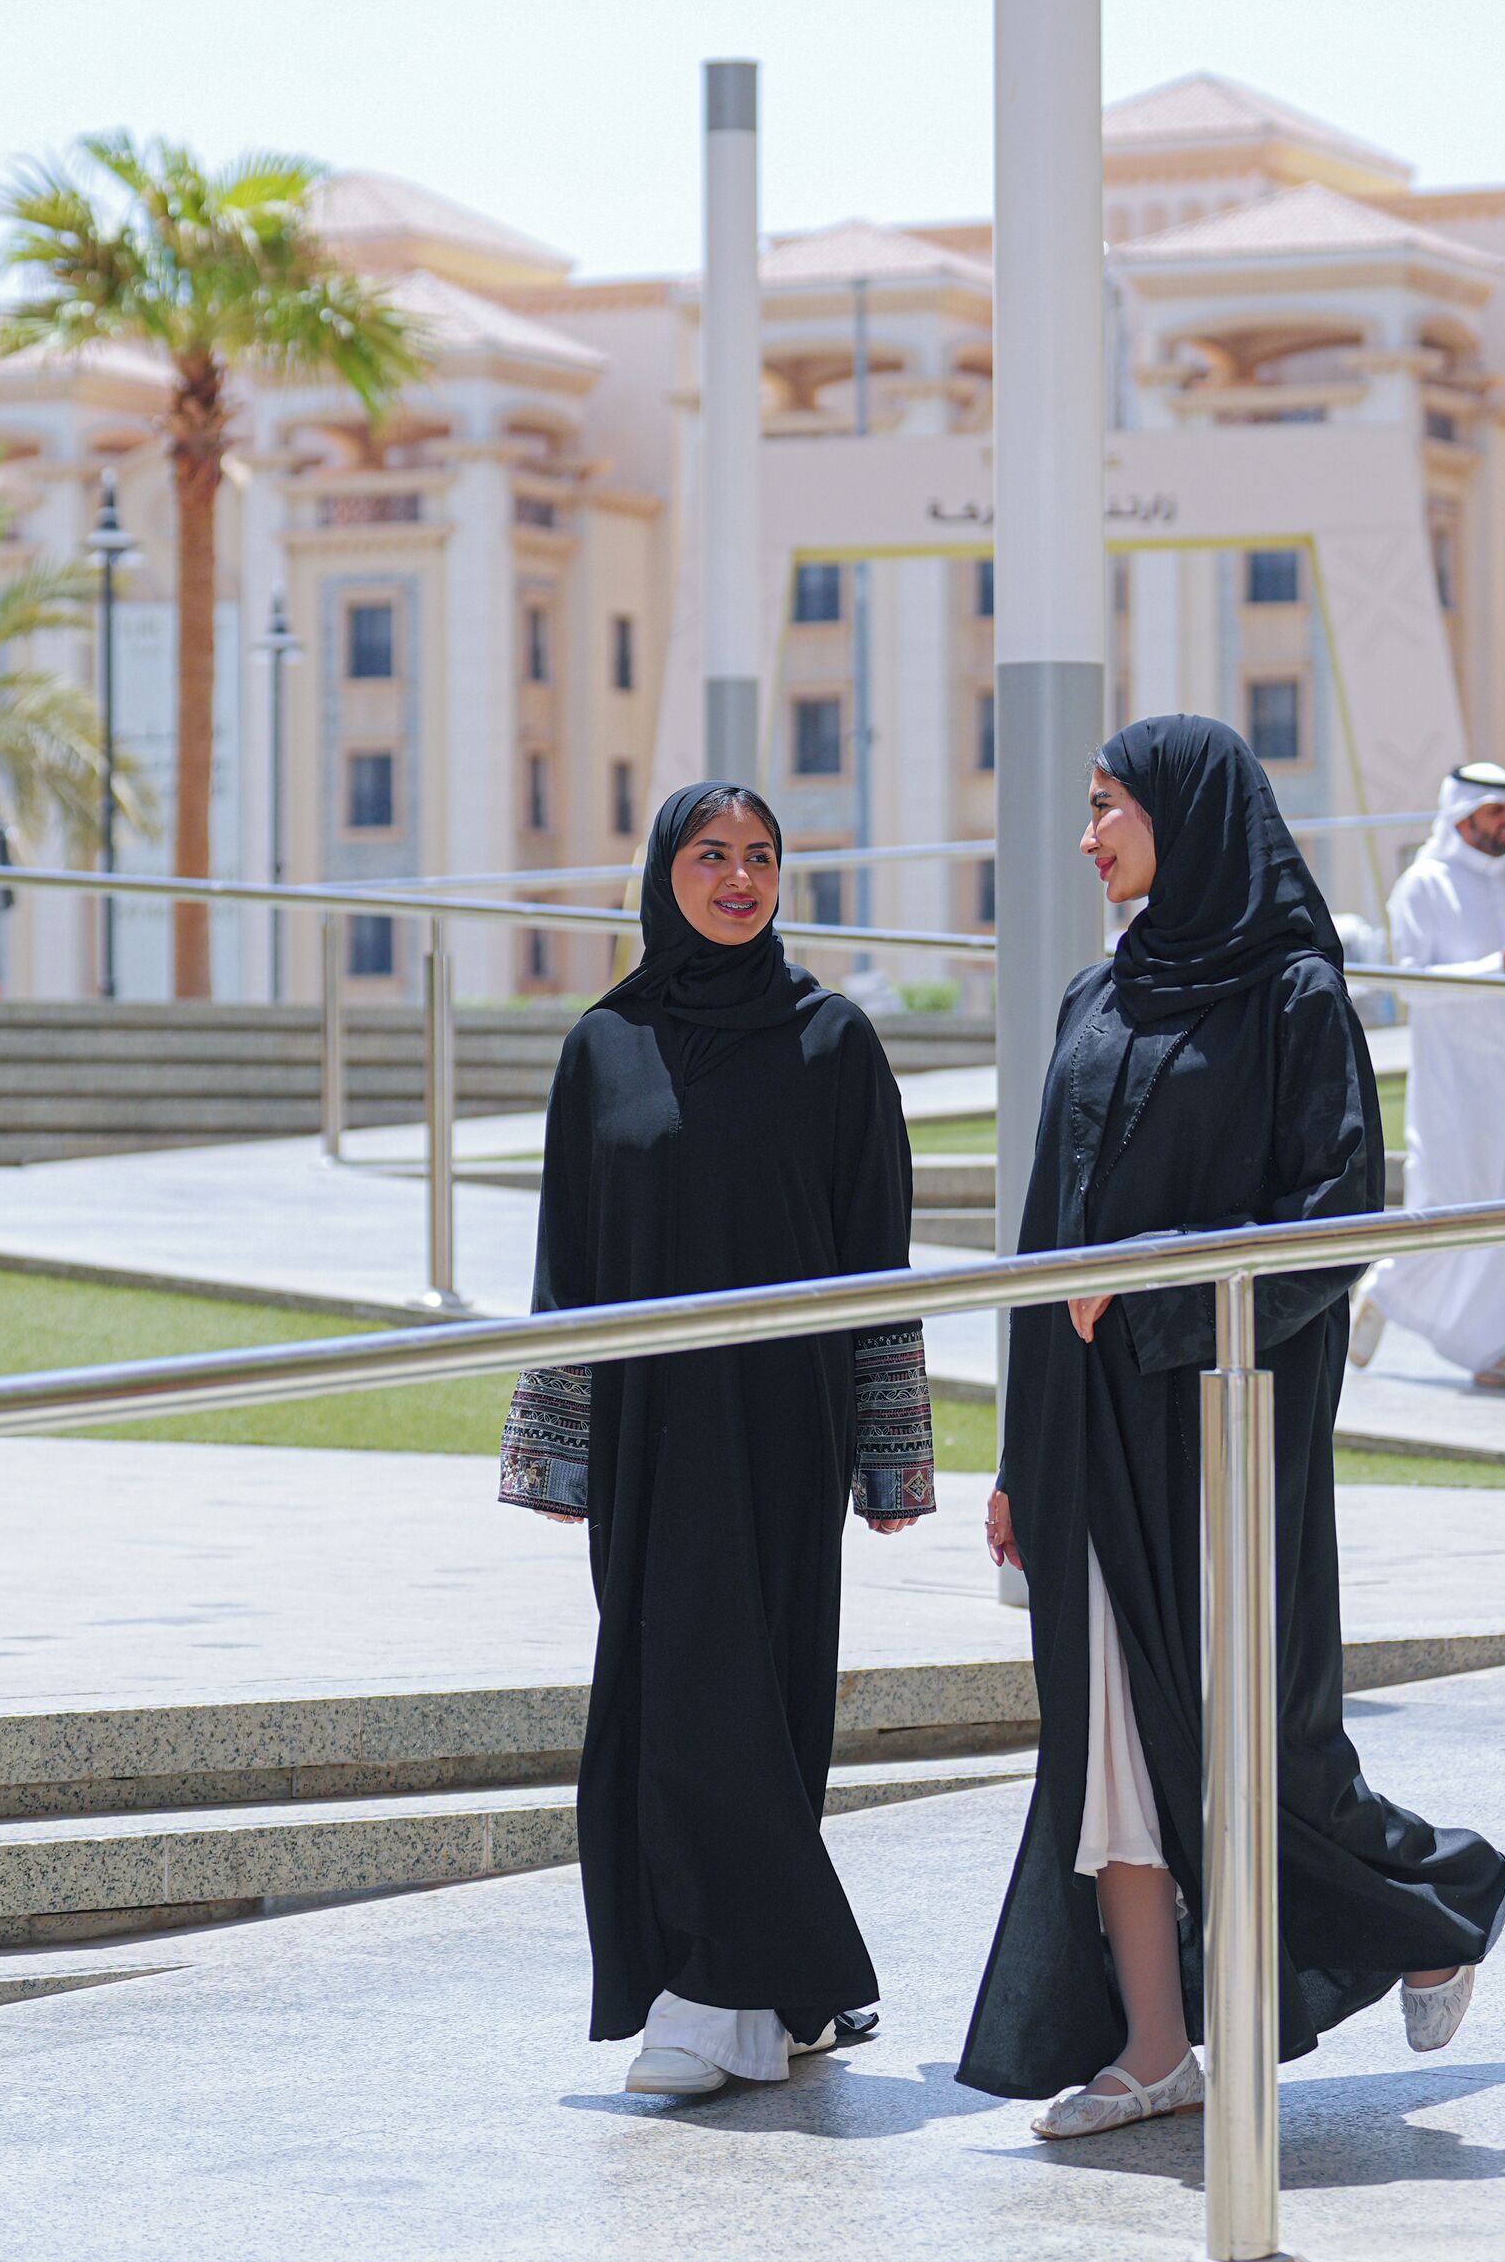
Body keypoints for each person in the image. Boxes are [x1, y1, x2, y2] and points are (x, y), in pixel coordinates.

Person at [959, 715, 1505, 2142]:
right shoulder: (1101, 993)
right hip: (1088, 1439)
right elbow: (1042, 1242)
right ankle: (1156, 2044)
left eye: (1108, 809)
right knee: (1110, 1742)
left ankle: (1432, 1904)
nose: (1087, 838)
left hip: (1221, 1429)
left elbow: (1334, 1229)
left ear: (1188, 815)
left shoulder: (1292, 996)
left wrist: (1156, 1308)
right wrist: (1021, 1454)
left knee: (1251, 1739)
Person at [500, 783, 933, 2098]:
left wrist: (890, 1454)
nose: (738, 878)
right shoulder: (606, 1046)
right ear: (663, 872)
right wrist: (560, 1449)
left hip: (785, 1433)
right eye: (711, 856)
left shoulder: (832, 1042)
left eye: (760, 858)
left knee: (767, 1699)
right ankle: (735, 1983)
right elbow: (566, 1261)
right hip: (648, 1435)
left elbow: (878, 1257)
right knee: (669, 1692)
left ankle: (732, 1992)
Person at [1351, 763, 1505, 1392]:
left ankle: (1498, 1351)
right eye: (1496, 813)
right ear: (1463, 817)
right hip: (1458, 1084)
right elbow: (1411, 986)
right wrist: (1490, 970)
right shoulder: (1422, 885)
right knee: (1452, 1207)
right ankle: (1388, 1289)